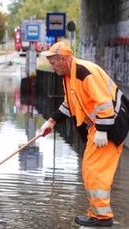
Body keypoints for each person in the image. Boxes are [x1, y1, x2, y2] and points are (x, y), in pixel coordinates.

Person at [39, 42, 129, 227]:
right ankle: (97, 213)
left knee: (96, 172)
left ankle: (102, 217)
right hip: (100, 126)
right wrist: (51, 121)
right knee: (90, 170)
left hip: (109, 125)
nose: (52, 66)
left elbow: (104, 103)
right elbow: (70, 104)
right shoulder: (69, 75)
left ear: (64, 59)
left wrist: (103, 130)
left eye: (54, 63)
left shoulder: (83, 72)